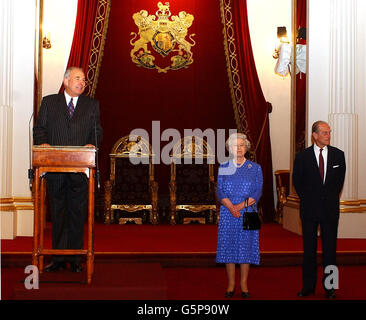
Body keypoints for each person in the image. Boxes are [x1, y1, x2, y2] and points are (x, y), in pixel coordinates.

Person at [33, 67, 103, 272]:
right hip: (55, 167)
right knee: (58, 212)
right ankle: (57, 258)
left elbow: (97, 130)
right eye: (77, 78)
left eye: (83, 80)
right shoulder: (49, 102)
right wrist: (43, 143)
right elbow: (39, 129)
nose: (82, 82)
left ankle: (74, 259)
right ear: (65, 81)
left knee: (77, 213)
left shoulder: (91, 105)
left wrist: (92, 144)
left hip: (80, 169)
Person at [292, 120, 346, 299]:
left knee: (331, 250)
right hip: (309, 210)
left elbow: (338, 183)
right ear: (314, 135)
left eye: (329, 132)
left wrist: (326, 199)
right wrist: (310, 199)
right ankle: (308, 287)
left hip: (330, 210)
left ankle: (330, 288)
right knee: (309, 250)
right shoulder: (302, 157)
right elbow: (297, 183)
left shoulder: (339, 155)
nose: (328, 136)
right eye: (324, 133)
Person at [216, 132, 263, 299]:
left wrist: (240, 206)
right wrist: (231, 207)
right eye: (235, 145)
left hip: (249, 211)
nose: (239, 148)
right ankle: (231, 284)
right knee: (228, 247)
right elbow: (220, 191)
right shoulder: (223, 167)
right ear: (229, 148)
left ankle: (244, 284)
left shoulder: (255, 168)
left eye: (242, 145)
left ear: (246, 148)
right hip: (228, 213)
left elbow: (257, 192)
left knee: (246, 247)